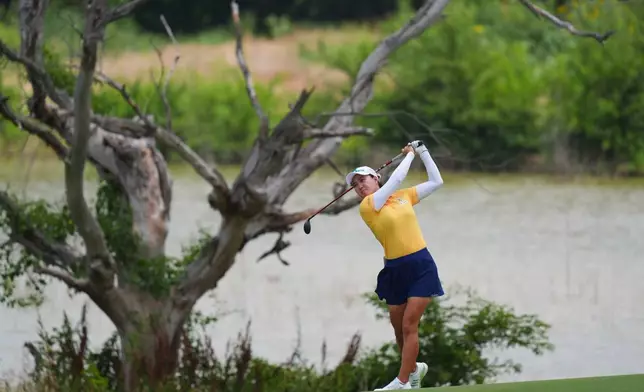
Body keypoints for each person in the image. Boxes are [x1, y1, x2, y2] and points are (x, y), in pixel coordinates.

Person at [344, 140, 445, 390]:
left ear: (375, 177)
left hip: (420, 265)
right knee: (400, 330)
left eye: (363, 180)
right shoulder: (368, 206)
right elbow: (395, 180)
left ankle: (401, 383)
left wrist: (422, 152)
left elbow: (436, 181)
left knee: (410, 324)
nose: (359, 186)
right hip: (394, 270)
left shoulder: (403, 197)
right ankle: (414, 371)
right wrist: (409, 156)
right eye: (355, 184)